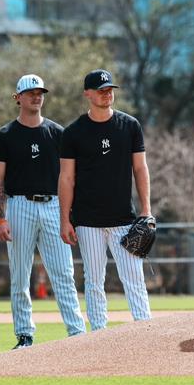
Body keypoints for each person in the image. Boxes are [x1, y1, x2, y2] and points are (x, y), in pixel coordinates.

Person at [0, 74, 86, 349]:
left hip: (55, 205)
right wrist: (0, 217)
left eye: (40, 92)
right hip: (19, 204)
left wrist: (69, 215)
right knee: (20, 275)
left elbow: (70, 177)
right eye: (30, 92)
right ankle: (24, 334)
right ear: (17, 97)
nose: (36, 96)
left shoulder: (58, 133)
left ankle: (76, 332)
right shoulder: (4, 136)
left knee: (63, 273)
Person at [59, 69, 152, 330]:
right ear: (87, 94)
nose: (106, 93)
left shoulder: (129, 125)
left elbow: (141, 168)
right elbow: (66, 178)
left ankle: (144, 329)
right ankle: (99, 333)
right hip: (87, 220)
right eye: (101, 90)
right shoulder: (74, 132)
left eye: (109, 89)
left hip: (124, 217)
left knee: (134, 276)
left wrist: (146, 209)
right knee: (94, 280)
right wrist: (64, 219)